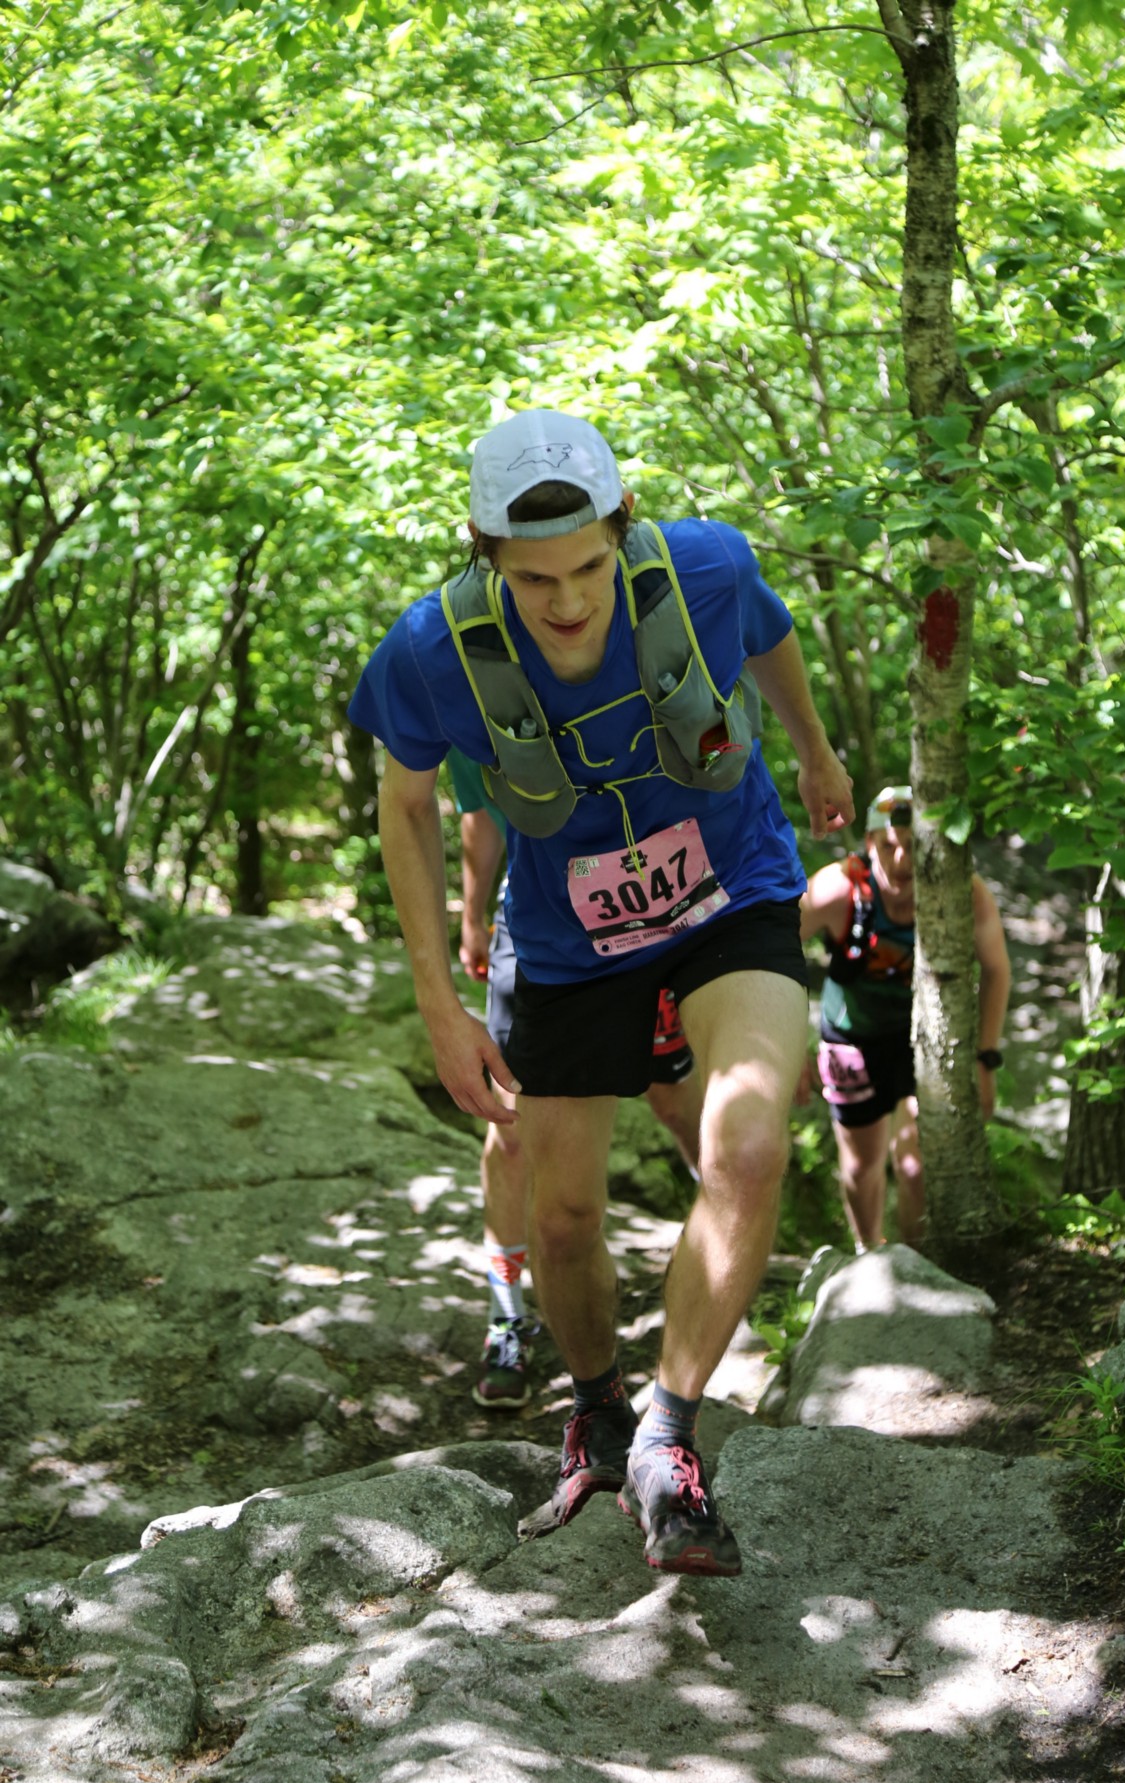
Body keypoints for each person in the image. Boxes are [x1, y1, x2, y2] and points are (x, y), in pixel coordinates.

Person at [349, 408, 853, 1577]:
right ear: (484, 554)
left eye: (587, 567)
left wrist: (816, 750)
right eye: (533, 580)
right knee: (563, 1215)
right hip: (566, 943)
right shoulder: (430, 650)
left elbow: (770, 638)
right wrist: (440, 1001)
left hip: (731, 895)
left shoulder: (709, 567)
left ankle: (667, 1440)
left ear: (622, 528)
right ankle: (597, 1410)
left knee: (748, 1147)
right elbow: (406, 805)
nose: (568, 601)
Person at [446, 747, 702, 1411]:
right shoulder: (467, 679)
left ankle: (728, 1265)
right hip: (538, 928)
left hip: (654, 904)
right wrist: (472, 918)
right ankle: (508, 1318)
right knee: (511, 1131)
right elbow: (480, 817)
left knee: (679, 1101)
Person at [799, 783, 1011, 1251]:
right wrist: (791, 1048)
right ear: (870, 842)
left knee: (916, 1165)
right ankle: (869, 1254)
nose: (901, 860)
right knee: (862, 1164)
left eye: (914, 846)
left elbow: (996, 970)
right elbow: (773, 949)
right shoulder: (837, 888)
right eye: (889, 845)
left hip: (925, 1040)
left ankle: (916, 1260)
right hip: (851, 1038)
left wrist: (985, 1059)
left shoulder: (963, 893)